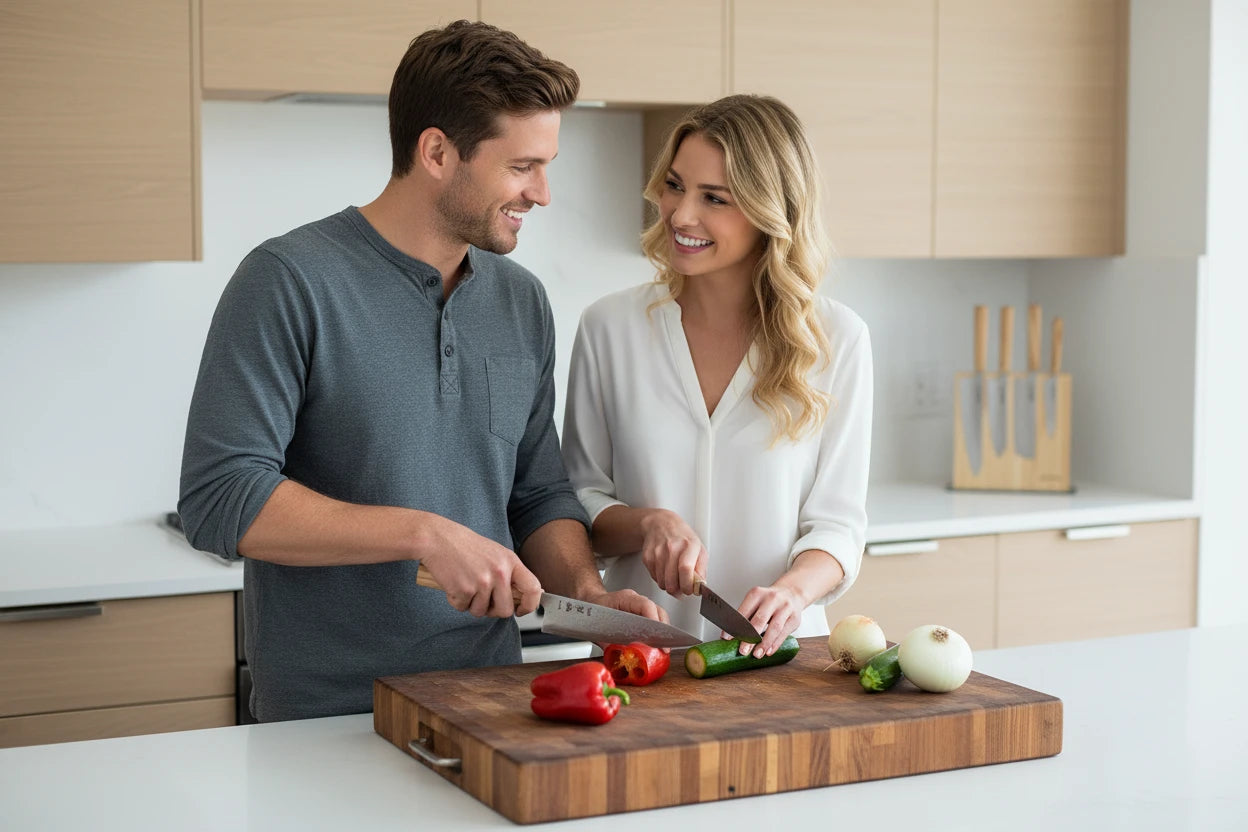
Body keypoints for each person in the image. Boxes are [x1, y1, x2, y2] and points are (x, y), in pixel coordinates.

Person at [178, 20, 664, 723]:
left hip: (491, 702)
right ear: (437, 151)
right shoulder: (289, 280)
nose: (544, 193)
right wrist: (425, 533)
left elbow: (536, 493)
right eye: (523, 165)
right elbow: (220, 498)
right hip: (329, 715)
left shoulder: (519, 299)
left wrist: (586, 595)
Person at [561, 94, 873, 660]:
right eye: (675, 185)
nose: (681, 215)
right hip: (640, 655)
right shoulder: (609, 327)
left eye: (715, 199)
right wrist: (647, 523)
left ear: (768, 212)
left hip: (779, 658)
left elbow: (838, 527)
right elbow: (577, 501)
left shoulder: (835, 340)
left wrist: (793, 592)